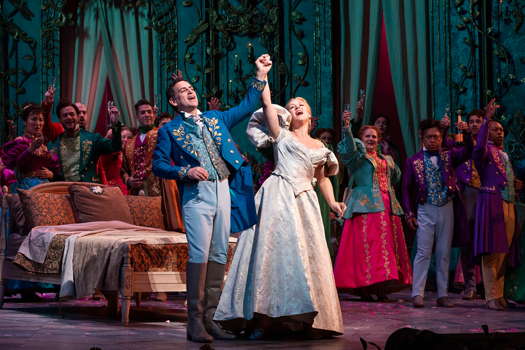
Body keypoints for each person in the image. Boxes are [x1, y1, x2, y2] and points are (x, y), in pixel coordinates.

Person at [214, 72, 345, 338]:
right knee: (272, 255)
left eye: (301, 105)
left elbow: (321, 178)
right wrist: (263, 75)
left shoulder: (320, 146)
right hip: (278, 196)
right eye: (292, 105)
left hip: (305, 200)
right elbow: (266, 104)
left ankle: (302, 319)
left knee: (303, 259)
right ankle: (262, 318)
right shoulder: (281, 135)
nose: (296, 107)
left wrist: (332, 202)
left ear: (310, 115)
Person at [152, 54, 271, 343]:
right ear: (174, 102)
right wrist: (185, 170)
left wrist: (260, 74)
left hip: (223, 191)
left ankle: (211, 318)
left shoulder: (215, 118)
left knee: (219, 253)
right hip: (197, 196)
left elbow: (247, 105)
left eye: (191, 88)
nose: (190, 91)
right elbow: (158, 165)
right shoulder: (169, 130)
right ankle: (193, 321)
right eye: (182, 90)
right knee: (199, 254)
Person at [333, 116, 412, 301]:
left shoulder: (386, 158)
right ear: (361, 139)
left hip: (388, 207)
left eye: (374, 137)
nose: (371, 139)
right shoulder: (357, 158)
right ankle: (366, 286)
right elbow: (349, 149)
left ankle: (382, 286)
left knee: (387, 248)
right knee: (369, 248)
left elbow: (396, 178)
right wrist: (347, 129)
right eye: (367, 136)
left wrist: (389, 166)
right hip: (366, 207)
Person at [402, 119, 471, 308]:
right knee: (423, 252)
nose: (433, 140)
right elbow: (406, 189)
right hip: (425, 209)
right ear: (422, 138)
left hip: (446, 207)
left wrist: (464, 135)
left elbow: (467, 152)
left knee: (443, 252)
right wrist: (409, 213)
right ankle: (417, 293)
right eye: (429, 137)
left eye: (437, 137)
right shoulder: (413, 160)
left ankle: (442, 294)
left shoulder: (448, 157)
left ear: (442, 138)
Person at [472, 100, 518, 310]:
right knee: (491, 250)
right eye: (494, 129)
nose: (498, 133)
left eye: (500, 130)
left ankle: (499, 293)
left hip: (507, 201)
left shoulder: (504, 154)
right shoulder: (483, 152)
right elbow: (479, 145)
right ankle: (491, 296)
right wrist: (486, 119)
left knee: (503, 250)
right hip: (491, 202)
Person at [48, 102, 122, 182]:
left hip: (87, 188)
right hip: (63, 190)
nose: (69, 117)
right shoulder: (55, 143)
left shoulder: (93, 138)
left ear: (77, 117)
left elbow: (115, 147)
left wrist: (115, 125)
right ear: (60, 119)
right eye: (65, 115)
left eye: (72, 114)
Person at [454, 110, 484, 300]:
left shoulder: (488, 144)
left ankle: (487, 285)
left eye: (477, 121)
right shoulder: (460, 142)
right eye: (471, 121)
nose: (473, 124)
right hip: (468, 192)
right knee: (467, 239)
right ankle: (470, 284)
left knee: (486, 239)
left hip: (487, 193)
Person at [1, 103, 60, 191]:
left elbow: (55, 167)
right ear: (25, 121)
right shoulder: (19, 142)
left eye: (41, 120)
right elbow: (14, 165)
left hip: (45, 185)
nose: (38, 123)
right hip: (26, 186)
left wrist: (51, 174)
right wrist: (30, 149)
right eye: (34, 119)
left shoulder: (43, 145)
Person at [122, 99, 161, 196]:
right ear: (137, 116)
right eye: (142, 112)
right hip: (135, 194)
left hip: (159, 191)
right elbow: (123, 170)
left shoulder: (161, 135)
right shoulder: (129, 143)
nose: (147, 115)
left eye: (149, 112)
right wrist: (128, 181)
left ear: (154, 114)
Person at [97, 126, 133, 194]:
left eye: (129, 138)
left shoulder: (131, 154)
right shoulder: (113, 152)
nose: (126, 140)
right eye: (123, 137)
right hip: (110, 188)